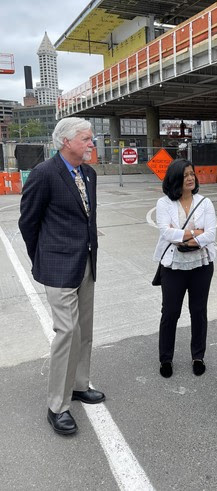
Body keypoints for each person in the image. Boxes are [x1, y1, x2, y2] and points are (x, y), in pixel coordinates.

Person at [19, 117, 105, 435]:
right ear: (66, 142)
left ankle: (80, 384)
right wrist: (42, 257)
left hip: (85, 262)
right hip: (57, 267)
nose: (91, 143)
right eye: (85, 138)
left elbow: (86, 219)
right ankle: (57, 405)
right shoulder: (44, 174)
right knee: (66, 332)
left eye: (90, 138)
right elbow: (28, 222)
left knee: (84, 330)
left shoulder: (89, 174)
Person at [153, 159, 217, 378]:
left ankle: (198, 356)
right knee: (170, 312)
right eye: (185, 175)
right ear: (174, 179)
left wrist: (187, 238)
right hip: (173, 266)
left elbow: (211, 234)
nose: (190, 178)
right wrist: (195, 233)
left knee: (198, 312)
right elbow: (166, 232)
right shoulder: (164, 204)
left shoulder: (205, 202)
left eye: (192, 174)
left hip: (201, 265)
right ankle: (166, 358)